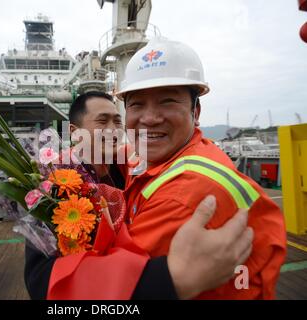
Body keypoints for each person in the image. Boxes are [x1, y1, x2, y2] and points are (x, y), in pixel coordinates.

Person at [24, 92, 254, 299]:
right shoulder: (54, 186)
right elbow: (40, 280)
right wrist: (165, 280)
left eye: (117, 121)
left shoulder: (125, 167)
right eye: (102, 121)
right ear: (75, 133)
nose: (113, 130)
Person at [116, 37, 286, 299]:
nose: (149, 118)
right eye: (137, 104)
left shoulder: (183, 197)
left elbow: (116, 291)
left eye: (167, 101)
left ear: (195, 112)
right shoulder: (175, 154)